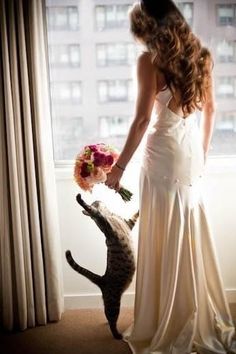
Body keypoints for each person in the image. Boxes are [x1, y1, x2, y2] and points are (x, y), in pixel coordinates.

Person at [105, 1, 236, 353]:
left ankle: (165, 314)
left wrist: (118, 169)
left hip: (163, 154)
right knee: (185, 226)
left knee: (164, 228)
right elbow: (210, 109)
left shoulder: (150, 61)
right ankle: (187, 307)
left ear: (148, 26)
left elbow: (142, 120)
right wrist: (202, 152)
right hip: (189, 151)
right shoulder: (201, 55)